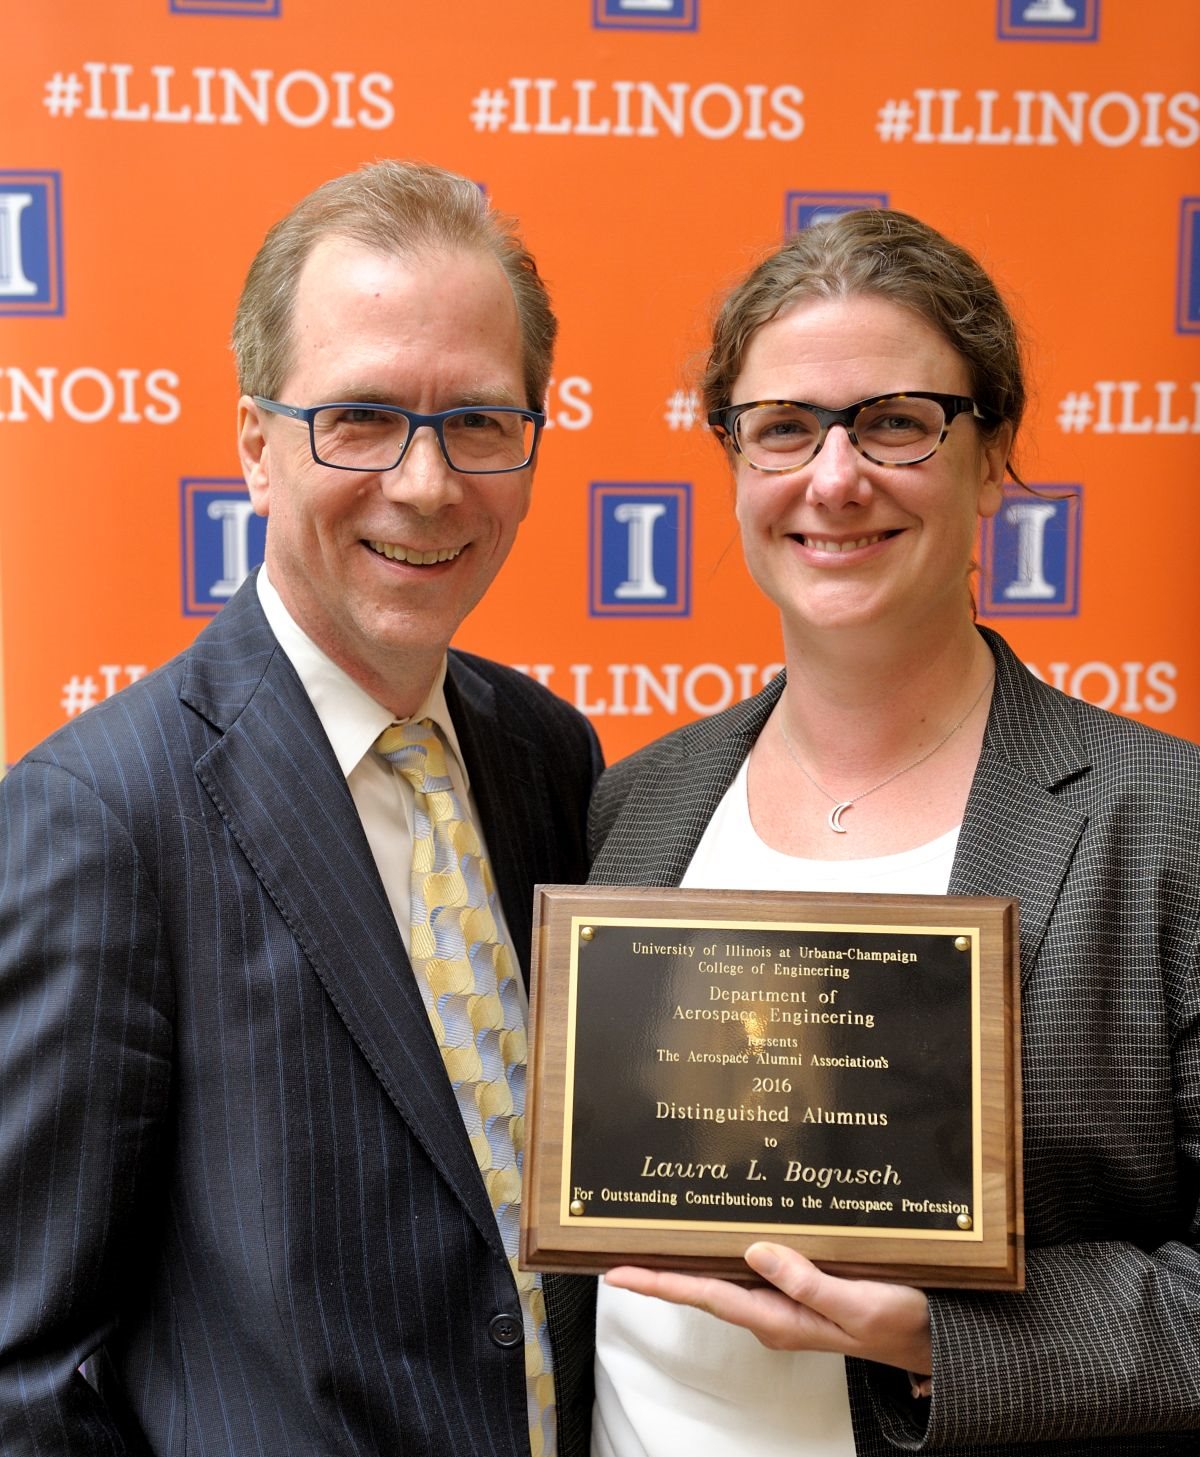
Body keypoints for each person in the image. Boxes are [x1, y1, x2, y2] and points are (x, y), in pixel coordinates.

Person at [0, 160, 601, 1457]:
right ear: (254, 447)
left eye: (481, 422)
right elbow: (25, 1370)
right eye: (363, 418)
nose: (429, 483)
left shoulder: (550, 757)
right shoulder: (101, 815)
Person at [587, 210, 1200, 1455]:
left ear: (992, 453)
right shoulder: (633, 802)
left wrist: (940, 1336)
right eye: (784, 428)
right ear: (735, 461)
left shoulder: (1164, 821)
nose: (834, 477)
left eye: (896, 421)